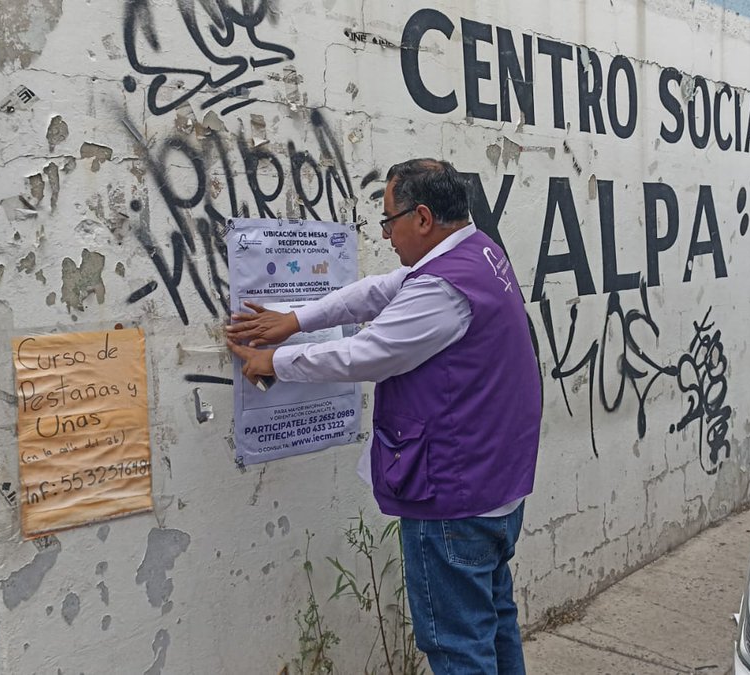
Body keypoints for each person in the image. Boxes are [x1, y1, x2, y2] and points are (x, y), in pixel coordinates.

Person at [226, 158, 542, 674]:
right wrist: (296, 319)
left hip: (455, 503)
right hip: (495, 490)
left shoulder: (442, 289)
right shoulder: (476, 251)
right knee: (494, 626)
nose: (385, 234)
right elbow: (381, 290)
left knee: (458, 648)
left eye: (388, 220)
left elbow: (368, 355)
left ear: (423, 218)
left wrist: (275, 362)